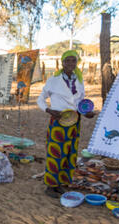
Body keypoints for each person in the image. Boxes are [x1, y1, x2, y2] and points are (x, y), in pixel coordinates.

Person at [37, 50, 96, 198]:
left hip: (75, 122)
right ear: (62, 62)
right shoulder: (53, 80)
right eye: (67, 61)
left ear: (77, 63)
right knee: (55, 153)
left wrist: (86, 112)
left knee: (70, 153)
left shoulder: (79, 80)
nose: (70, 63)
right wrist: (49, 110)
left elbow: (79, 102)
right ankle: (51, 185)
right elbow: (40, 99)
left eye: (73, 61)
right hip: (58, 122)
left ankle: (61, 183)